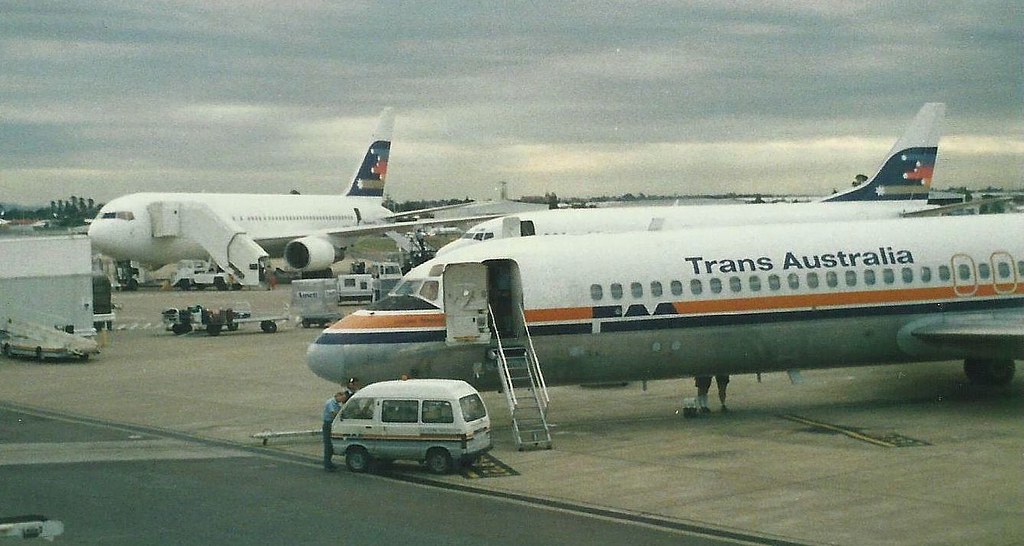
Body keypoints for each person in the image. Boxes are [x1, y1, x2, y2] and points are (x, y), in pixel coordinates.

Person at [322, 391, 349, 471]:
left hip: (332, 424)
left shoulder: (337, 404)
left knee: (331, 445)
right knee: (328, 444)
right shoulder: (330, 403)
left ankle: (329, 463)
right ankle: (327, 464)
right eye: (342, 398)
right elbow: (334, 413)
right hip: (328, 424)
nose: (342, 400)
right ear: (338, 396)